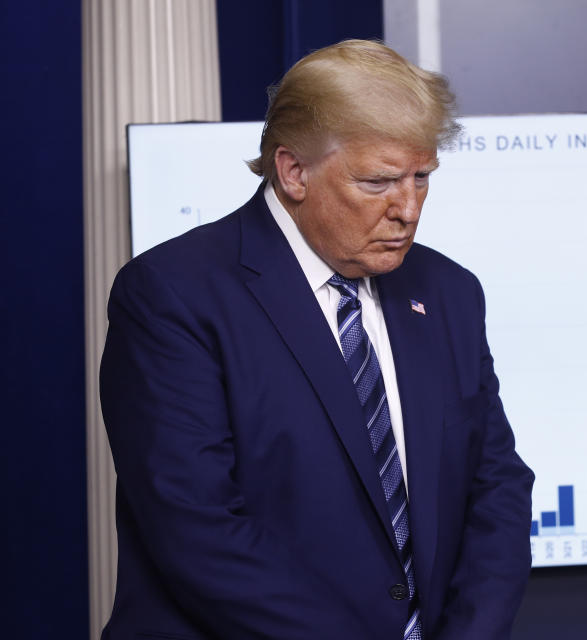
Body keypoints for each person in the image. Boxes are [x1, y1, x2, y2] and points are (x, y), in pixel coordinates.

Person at [99, 39, 534, 639]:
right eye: (379, 181)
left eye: (422, 178)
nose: (407, 209)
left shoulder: (451, 292)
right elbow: (196, 527)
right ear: (293, 171)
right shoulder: (171, 295)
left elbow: (498, 490)